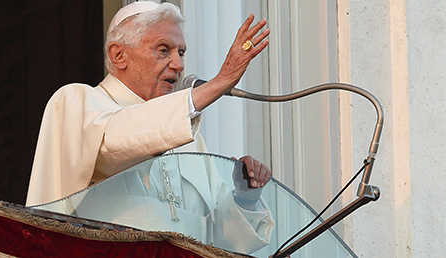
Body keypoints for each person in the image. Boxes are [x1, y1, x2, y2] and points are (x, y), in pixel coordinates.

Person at [26, 1, 274, 254]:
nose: (178, 65)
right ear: (118, 55)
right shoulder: (77, 101)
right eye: (164, 50)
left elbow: (220, 240)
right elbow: (113, 146)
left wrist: (245, 197)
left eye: (181, 52)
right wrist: (218, 83)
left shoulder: (188, 136)